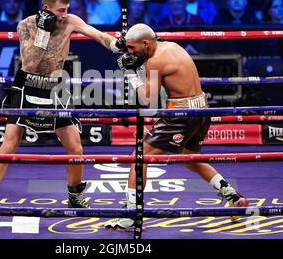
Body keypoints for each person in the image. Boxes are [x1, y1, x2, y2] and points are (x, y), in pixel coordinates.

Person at [0, 0, 125, 223]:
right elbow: (31, 64)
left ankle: (75, 196)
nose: (65, 14)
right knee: (10, 143)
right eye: (61, 10)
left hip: (56, 85)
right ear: (46, 8)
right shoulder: (26, 25)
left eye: (67, 9)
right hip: (28, 85)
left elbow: (98, 35)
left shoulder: (70, 21)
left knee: (75, 147)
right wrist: (43, 32)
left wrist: (118, 45)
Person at [105, 23, 249, 230]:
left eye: (131, 48)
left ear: (145, 43)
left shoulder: (155, 62)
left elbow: (148, 99)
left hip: (181, 116)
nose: (129, 53)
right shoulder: (171, 46)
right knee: (190, 160)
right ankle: (232, 195)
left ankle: (131, 217)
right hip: (202, 111)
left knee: (138, 158)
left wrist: (130, 74)